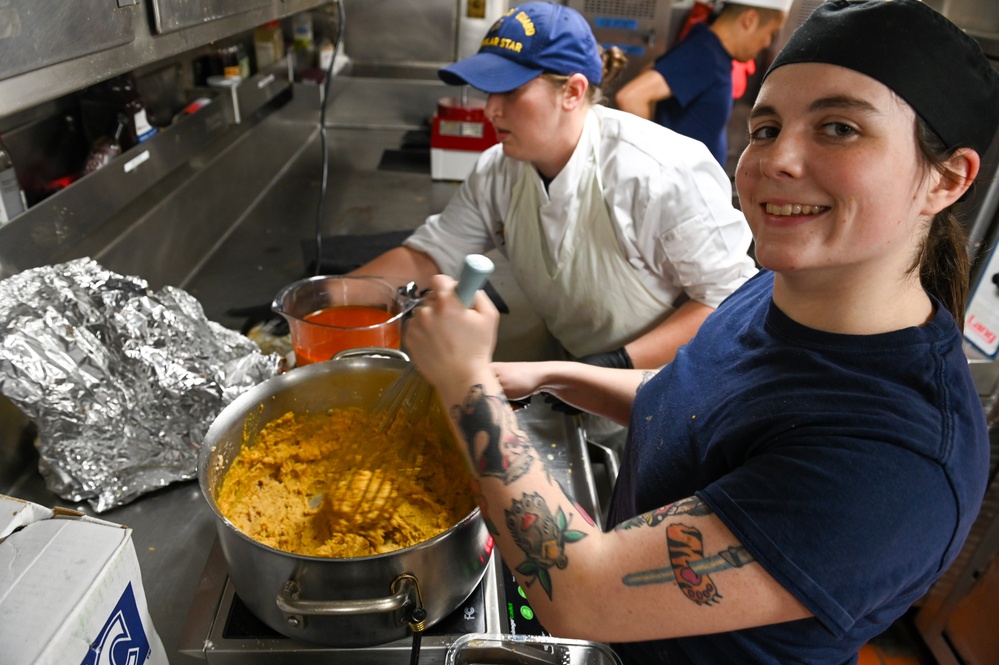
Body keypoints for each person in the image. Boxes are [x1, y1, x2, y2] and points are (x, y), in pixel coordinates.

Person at [402, 0, 999, 661]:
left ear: (946, 179)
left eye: (837, 127)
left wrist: (464, 384)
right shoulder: (776, 292)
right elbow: (697, 402)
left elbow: (580, 589)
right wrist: (551, 376)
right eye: (767, 127)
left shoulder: (895, 461)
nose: (777, 160)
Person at [351, 1, 757, 374]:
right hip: (574, 363)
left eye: (510, 90)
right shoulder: (501, 170)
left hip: (665, 385)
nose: (491, 108)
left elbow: (731, 303)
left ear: (573, 91)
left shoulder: (660, 174)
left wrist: (616, 364)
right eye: (489, 90)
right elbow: (430, 258)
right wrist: (329, 298)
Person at [615, 0, 791, 166]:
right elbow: (632, 97)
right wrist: (653, 164)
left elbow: (650, 69)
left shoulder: (710, 49)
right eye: (771, 33)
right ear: (749, 20)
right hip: (681, 190)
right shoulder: (704, 54)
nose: (767, 43)